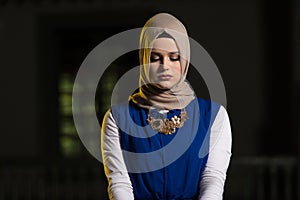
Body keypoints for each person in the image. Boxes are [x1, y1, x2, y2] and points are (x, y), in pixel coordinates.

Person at [101, 13, 232, 200]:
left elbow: (212, 179)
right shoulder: (117, 118)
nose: (165, 66)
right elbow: (119, 182)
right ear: (144, 59)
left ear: (185, 60)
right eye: (155, 58)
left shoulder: (213, 116)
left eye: (174, 57)